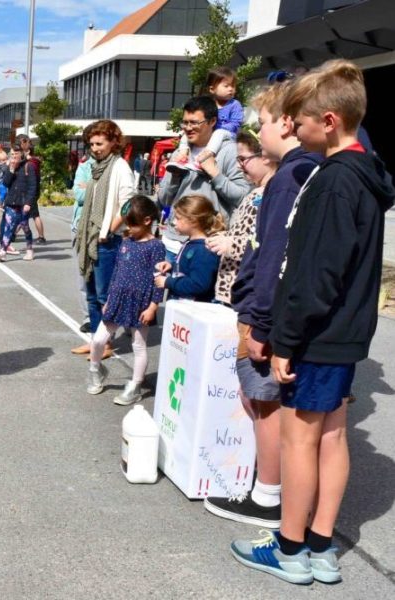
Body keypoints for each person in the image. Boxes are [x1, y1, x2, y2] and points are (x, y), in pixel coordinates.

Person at [231, 60, 394, 586]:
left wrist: (286, 340)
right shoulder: (365, 173)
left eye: (299, 120)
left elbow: (314, 274)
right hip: (346, 332)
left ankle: (291, 545)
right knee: (333, 437)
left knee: (302, 439)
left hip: (318, 334)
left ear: (327, 121)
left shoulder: (331, 182)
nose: (292, 129)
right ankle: (321, 546)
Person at [204, 82, 322, 530]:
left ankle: (268, 494)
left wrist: (257, 321)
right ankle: (272, 490)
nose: (260, 132)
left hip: (266, 314)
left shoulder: (289, 178)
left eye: (264, 123)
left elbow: (272, 253)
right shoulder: (304, 173)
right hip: (269, 311)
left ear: (287, 124)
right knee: (262, 401)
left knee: (263, 402)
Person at [86, 196, 165, 405]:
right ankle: (96, 369)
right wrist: (109, 297)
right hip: (118, 299)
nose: (128, 228)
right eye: (127, 223)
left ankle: (135, 385)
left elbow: (159, 279)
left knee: (138, 344)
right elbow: (117, 272)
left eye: (133, 224)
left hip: (141, 303)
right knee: (98, 339)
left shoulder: (156, 247)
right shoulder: (125, 242)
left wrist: (153, 306)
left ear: (147, 220)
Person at [157, 96, 250, 264]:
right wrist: (175, 175)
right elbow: (163, 198)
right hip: (173, 244)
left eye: (194, 123)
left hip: (208, 245)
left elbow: (244, 197)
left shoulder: (229, 152)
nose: (188, 128)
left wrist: (215, 174)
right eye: (185, 123)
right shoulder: (180, 152)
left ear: (212, 121)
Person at [73, 120, 136, 359]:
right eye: (92, 144)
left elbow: (128, 203)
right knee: (91, 293)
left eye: (100, 143)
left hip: (106, 240)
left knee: (103, 295)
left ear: (113, 142)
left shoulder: (120, 167)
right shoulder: (97, 168)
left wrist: (109, 230)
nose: (95, 148)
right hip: (90, 237)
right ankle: (95, 341)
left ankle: (105, 343)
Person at [207, 131, 276, 305]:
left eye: (243, 159)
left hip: (246, 295)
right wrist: (225, 238)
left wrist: (231, 245)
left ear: (265, 157)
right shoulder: (256, 191)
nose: (239, 166)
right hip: (234, 293)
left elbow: (267, 243)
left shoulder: (272, 194)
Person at [170, 66, 244, 173]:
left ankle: (207, 155)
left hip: (227, 133)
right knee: (186, 132)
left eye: (233, 86)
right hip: (211, 133)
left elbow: (236, 123)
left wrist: (216, 128)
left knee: (218, 133)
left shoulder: (234, 105)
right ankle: (182, 154)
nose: (231, 89)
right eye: (226, 86)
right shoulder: (208, 104)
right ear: (212, 89)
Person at [153, 194, 224, 301]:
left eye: (178, 218)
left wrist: (168, 282)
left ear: (193, 220)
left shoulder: (204, 250)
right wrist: (171, 266)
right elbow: (188, 268)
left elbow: (198, 285)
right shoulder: (191, 243)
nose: (173, 222)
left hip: (192, 311)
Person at [0, 144, 36, 262]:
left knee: (25, 226)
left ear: (21, 154)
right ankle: (3, 252)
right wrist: (11, 169)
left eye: (16, 153)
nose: (14, 156)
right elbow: (5, 183)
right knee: (8, 226)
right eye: (12, 154)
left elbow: (33, 186)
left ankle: (29, 249)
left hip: (24, 202)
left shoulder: (28, 166)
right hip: (11, 202)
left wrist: (28, 203)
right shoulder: (10, 167)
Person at [17, 134, 46, 243]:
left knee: (33, 214)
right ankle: (13, 235)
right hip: (30, 190)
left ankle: (41, 237)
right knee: (27, 214)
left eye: (22, 143)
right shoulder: (32, 160)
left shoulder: (32, 161)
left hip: (31, 190)